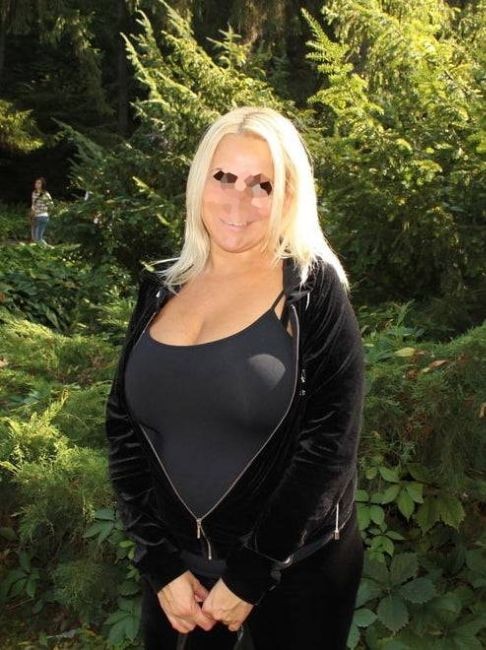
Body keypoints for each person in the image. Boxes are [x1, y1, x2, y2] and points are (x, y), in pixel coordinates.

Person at [105, 106, 366, 650]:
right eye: (223, 176)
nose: (237, 200)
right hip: (178, 585)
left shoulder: (311, 292)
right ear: (200, 180)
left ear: (288, 196)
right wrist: (158, 563)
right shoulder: (161, 287)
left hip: (294, 578)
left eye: (261, 184)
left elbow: (330, 446)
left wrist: (250, 573)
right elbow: (124, 431)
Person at [30, 177, 53, 245]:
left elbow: (51, 205)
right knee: (34, 238)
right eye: (36, 182)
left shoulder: (46, 194)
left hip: (42, 217)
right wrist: (32, 210)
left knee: (38, 238)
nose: (36, 184)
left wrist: (41, 211)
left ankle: (48, 249)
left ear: (42, 185)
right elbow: (33, 204)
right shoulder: (34, 193)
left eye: (39, 183)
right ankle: (41, 249)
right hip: (34, 217)